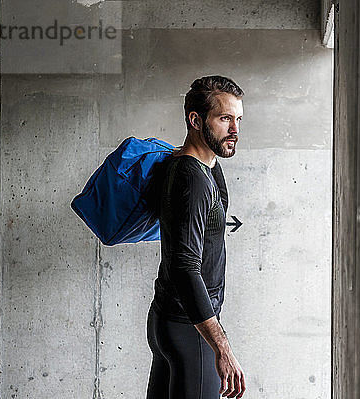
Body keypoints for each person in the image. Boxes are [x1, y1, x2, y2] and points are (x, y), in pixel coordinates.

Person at [146, 76, 246, 399]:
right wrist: (221, 346)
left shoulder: (189, 166)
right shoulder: (192, 181)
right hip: (190, 330)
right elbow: (185, 268)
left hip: (167, 321)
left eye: (238, 119)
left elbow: (218, 193)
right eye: (225, 119)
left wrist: (194, 145)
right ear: (196, 120)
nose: (235, 130)